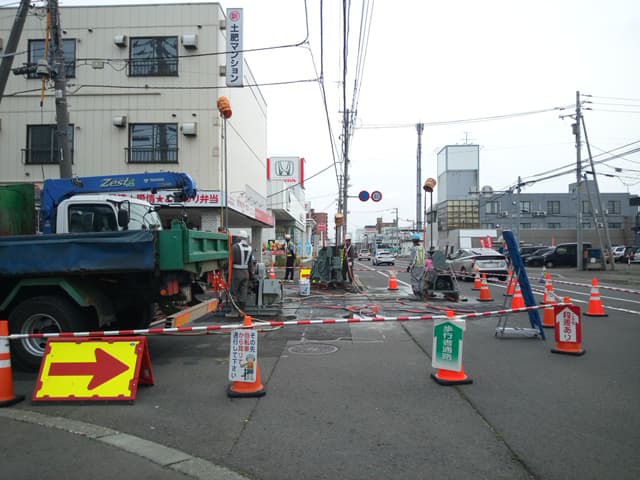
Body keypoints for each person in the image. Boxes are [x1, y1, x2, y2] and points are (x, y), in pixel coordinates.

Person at [230, 230, 254, 308]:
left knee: (234, 291)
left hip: (236, 273)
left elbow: (230, 260)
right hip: (246, 273)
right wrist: (251, 276)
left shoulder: (235, 247)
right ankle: (242, 308)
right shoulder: (250, 248)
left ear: (239, 238)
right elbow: (250, 264)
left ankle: (234, 309)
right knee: (243, 292)